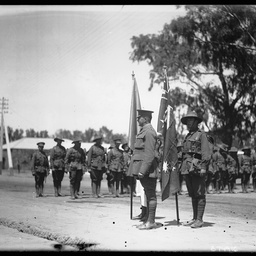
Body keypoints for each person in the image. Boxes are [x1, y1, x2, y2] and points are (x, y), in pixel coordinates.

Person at [180, 111, 211, 228]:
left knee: (200, 194)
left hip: (197, 168)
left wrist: (203, 167)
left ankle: (200, 219)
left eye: (191, 120)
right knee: (192, 194)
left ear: (196, 122)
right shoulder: (188, 136)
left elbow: (206, 153)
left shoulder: (201, 135)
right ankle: (194, 218)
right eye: (187, 120)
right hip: (187, 168)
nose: (188, 122)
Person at [129, 109, 159, 230]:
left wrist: (143, 170)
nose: (137, 119)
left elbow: (150, 154)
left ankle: (151, 222)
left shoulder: (149, 132)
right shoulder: (144, 131)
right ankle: (148, 220)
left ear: (146, 119)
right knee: (147, 193)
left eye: (139, 117)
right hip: (143, 168)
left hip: (147, 169)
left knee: (151, 195)